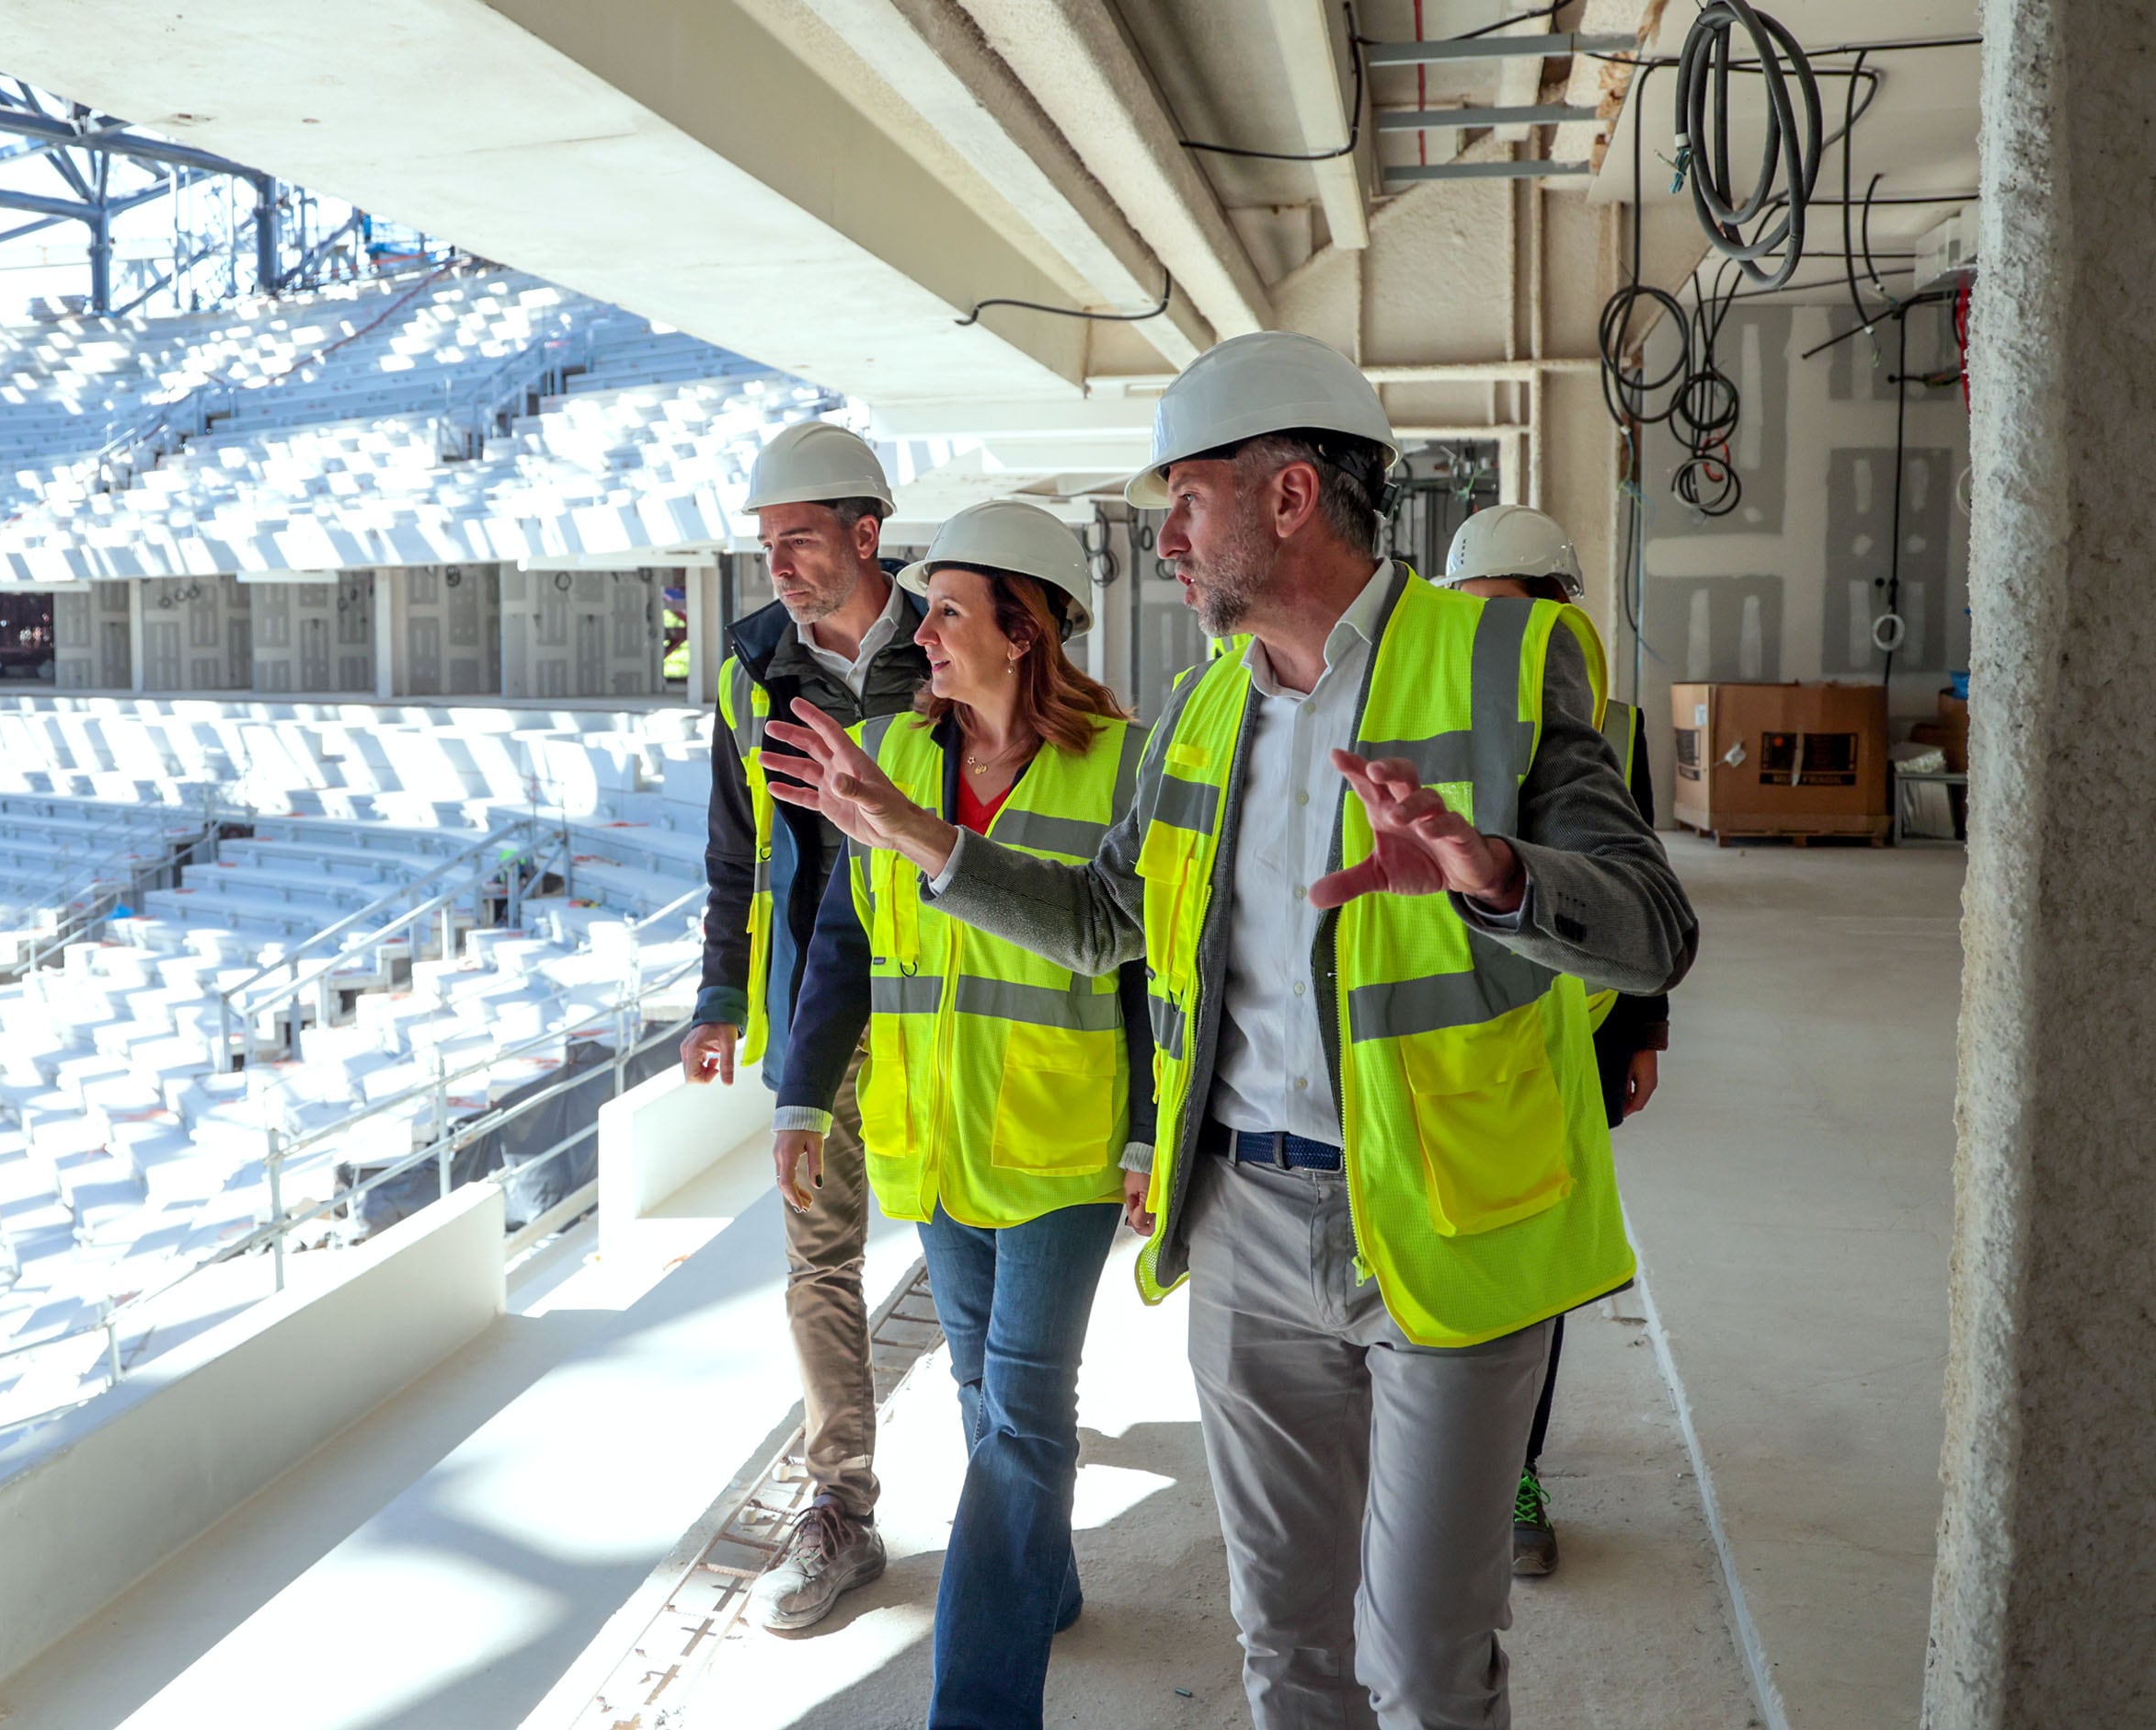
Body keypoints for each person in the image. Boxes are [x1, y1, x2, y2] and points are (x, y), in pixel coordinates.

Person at [759, 331, 1698, 1729]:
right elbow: (1099, 923)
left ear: (1287, 497)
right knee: (1287, 1650)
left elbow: (1650, 926)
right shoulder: (1201, 712)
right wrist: (918, 836)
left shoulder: (1506, 659)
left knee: (1429, 1666)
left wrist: (1496, 875)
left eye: (1185, 501)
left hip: (1449, 1216)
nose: (1168, 542)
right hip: (1251, 1221)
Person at [773, 500, 1149, 1727]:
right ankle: (1044, 1581)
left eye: (946, 610)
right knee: (987, 1400)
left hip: (1060, 1147)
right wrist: (799, 1097)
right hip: (931, 1146)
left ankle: (978, 1709)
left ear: (1023, 627)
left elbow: (1151, 966)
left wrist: (1151, 1131)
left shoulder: (1122, 767)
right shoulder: (889, 751)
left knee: (1026, 1411)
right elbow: (841, 939)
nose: (920, 631)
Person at [680, 419, 928, 1631]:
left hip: (946, 1002)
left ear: (864, 534)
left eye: (798, 540)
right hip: (814, 1016)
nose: (775, 564)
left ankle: (1022, 1471)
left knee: (981, 1236)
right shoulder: (746, 667)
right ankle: (843, 1504)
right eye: (764, 544)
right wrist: (722, 994)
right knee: (821, 1258)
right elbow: (737, 848)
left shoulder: (952, 644)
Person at [1436, 503, 1675, 1580]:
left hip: (1566, 1032)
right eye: (1474, 613)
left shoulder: (1610, 726)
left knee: (1532, 1260)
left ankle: (1515, 1467)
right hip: (1445, 1030)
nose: (1493, 635)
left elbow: (1638, 888)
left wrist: (1642, 1026)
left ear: (1552, 615)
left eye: (1510, 612)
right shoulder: (1422, 710)